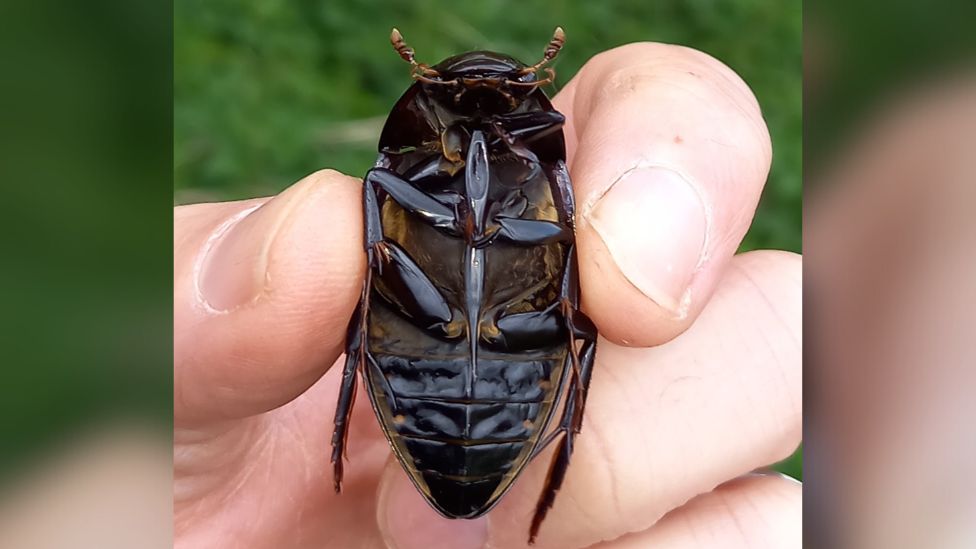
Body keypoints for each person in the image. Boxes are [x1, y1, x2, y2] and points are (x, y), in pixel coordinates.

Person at [174, 43, 801, 549]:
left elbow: (566, 245)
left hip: (468, 352)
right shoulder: (406, 178)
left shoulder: (546, 177)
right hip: (459, 353)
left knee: (589, 303)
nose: (479, 128)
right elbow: (383, 188)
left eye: (504, 106)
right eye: (457, 102)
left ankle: (564, 462)